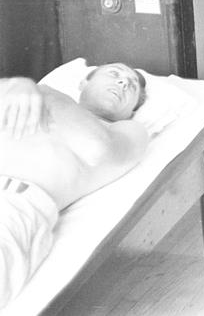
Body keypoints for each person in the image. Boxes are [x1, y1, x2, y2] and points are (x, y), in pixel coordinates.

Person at [0, 63, 149, 308]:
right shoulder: (28, 96)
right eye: (114, 74)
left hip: (15, 206)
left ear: (132, 110)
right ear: (83, 83)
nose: (123, 82)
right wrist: (15, 85)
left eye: (131, 86)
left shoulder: (127, 130)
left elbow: (99, 149)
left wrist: (40, 92)